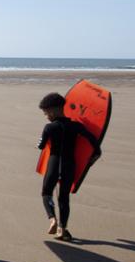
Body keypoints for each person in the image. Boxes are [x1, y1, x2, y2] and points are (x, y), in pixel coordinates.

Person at [37, 92, 101, 241]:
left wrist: (44, 140)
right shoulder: (76, 126)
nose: (46, 116)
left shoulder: (49, 127)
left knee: (46, 192)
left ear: (52, 110)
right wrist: (92, 159)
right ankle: (62, 228)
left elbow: (40, 146)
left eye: (46, 113)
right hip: (69, 164)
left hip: (53, 163)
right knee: (64, 198)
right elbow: (95, 144)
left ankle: (52, 219)